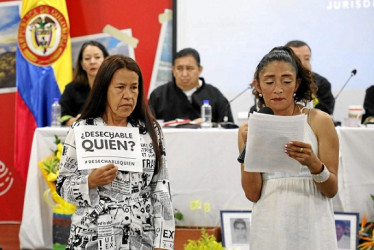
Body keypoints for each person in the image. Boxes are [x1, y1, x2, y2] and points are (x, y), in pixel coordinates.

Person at [56, 55, 175, 249]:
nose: (128, 95)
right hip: (91, 239)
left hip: (140, 240)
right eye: (120, 88)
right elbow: (62, 185)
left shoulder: (150, 130)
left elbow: (161, 188)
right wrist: (90, 181)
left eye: (134, 87)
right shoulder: (83, 129)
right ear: (104, 90)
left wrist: (163, 242)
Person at [238, 46, 339, 249]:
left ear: (297, 83)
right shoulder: (248, 129)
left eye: (286, 81)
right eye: (269, 82)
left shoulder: (319, 120)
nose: (278, 89)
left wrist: (314, 164)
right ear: (257, 85)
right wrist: (251, 146)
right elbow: (252, 194)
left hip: (312, 218)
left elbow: (332, 190)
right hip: (269, 222)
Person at [148, 48, 234, 124]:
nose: (184, 74)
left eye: (189, 68)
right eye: (179, 69)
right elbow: (149, 129)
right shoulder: (159, 95)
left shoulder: (214, 95)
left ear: (200, 70)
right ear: (173, 70)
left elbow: (228, 127)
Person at [59, 40, 109, 126]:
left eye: (97, 57)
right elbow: (62, 116)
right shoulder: (72, 89)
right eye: (87, 58)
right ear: (82, 64)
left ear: (106, 60)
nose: (92, 62)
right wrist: (75, 121)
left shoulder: (117, 87)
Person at [285, 40, 335, 115]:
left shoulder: (322, 83)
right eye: (296, 59)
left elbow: (326, 111)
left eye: (307, 58)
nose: (302, 63)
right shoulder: (277, 83)